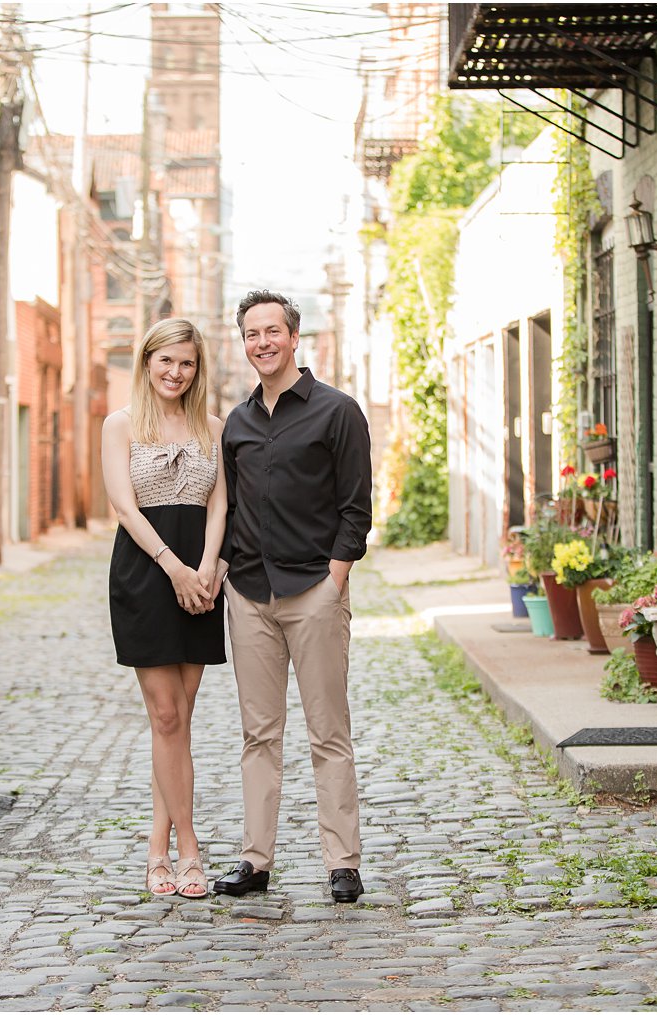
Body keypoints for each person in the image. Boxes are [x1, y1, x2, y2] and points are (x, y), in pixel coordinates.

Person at [210, 290, 372, 904]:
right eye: (252, 334)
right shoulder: (238, 423)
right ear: (244, 343)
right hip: (249, 593)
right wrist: (220, 573)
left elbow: (357, 508)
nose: (262, 343)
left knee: (329, 731)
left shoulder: (337, 412)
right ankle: (255, 862)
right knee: (259, 734)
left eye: (272, 331)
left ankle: (343, 862)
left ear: (295, 336)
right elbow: (229, 510)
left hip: (314, 593)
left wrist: (335, 580)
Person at [102, 318, 228, 900]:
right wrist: (174, 567)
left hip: (201, 580)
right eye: (166, 361)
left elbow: (222, 506)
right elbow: (125, 508)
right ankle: (187, 850)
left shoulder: (214, 429)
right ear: (147, 363)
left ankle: (157, 848)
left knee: (176, 723)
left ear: (197, 369)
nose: (176, 373)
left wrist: (208, 569)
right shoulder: (121, 425)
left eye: (187, 363)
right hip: (146, 574)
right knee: (167, 717)